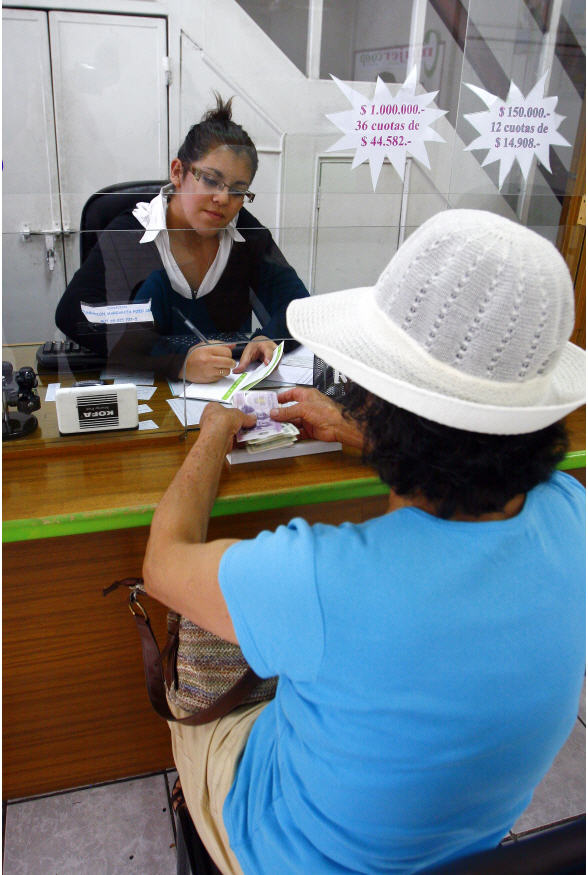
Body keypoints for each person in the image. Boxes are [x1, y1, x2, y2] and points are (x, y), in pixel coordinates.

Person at [142, 209, 586, 874]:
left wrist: (211, 432)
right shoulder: (573, 514)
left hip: (284, 852)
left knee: (198, 668)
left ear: (374, 400)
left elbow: (163, 562)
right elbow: (468, 455)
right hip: (468, 850)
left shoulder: (322, 576)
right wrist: (364, 431)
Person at [55, 94, 309, 380]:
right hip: (151, 393)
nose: (223, 198)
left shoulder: (248, 235)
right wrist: (178, 362)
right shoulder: (129, 234)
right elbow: (73, 314)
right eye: (211, 180)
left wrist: (271, 337)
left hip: (226, 389)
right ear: (178, 172)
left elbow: (300, 307)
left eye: (238, 190)